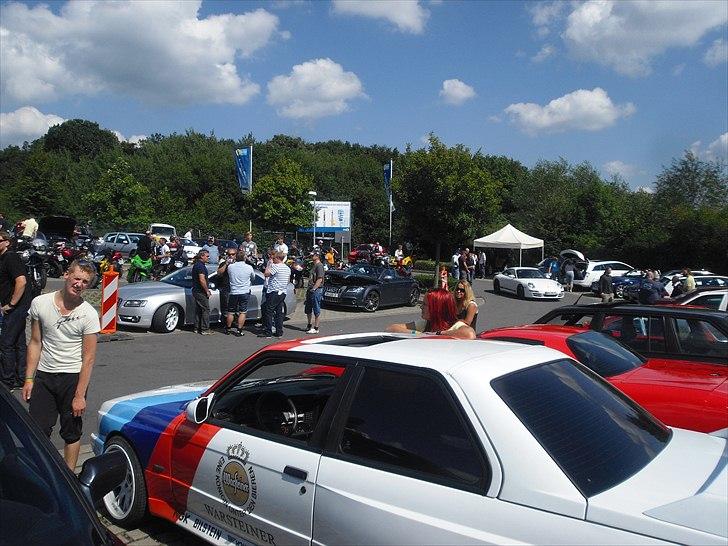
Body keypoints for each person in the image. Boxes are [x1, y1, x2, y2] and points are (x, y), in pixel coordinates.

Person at [22, 260, 100, 470]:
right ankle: (41, 472)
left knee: (71, 432)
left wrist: (80, 396)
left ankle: (69, 476)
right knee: (38, 430)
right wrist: (29, 378)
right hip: (45, 376)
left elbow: (89, 358)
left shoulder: (89, 314)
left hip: (72, 378)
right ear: (66, 275)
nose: (79, 284)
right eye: (76, 278)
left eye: (85, 281)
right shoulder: (40, 303)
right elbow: (35, 342)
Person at [1, 231, 32, 391]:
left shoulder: (11, 257)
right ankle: (20, 378)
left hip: (17, 306)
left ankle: (7, 382)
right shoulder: (3, 258)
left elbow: (21, 281)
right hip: (15, 306)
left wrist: (11, 304)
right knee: (19, 342)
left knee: (6, 343)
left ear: (7, 242)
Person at [387, 289, 475, 339]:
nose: (421, 307)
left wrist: (437, 334)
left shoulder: (456, 326)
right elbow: (391, 328)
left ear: (437, 308)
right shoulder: (424, 324)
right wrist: (419, 334)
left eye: (425, 304)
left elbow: (470, 334)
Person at [259, 251, 291, 338]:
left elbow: (266, 274)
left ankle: (268, 331)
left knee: (269, 311)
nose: (273, 259)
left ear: (278, 258)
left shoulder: (276, 266)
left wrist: (269, 264)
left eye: (274, 258)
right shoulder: (287, 268)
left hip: (274, 291)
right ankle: (279, 331)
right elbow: (288, 280)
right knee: (279, 312)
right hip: (282, 291)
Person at [225, 251, 256, 336]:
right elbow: (253, 278)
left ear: (236, 258)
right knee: (243, 312)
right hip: (244, 291)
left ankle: (228, 329)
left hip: (234, 291)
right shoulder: (249, 267)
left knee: (231, 312)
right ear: (244, 258)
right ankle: (239, 330)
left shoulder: (230, 267)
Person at [192, 250, 212, 335]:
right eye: (207, 256)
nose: (208, 258)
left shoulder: (197, 265)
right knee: (205, 309)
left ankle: (197, 328)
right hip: (200, 291)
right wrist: (207, 290)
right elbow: (202, 279)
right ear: (202, 256)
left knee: (199, 310)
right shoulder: (200, 267)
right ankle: (205, 329)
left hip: (196, 290)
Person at [305, 252, 325, 334]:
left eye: (313, 255)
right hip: (310, 289)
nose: (311, 256)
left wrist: (314, 289)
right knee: (308, 309)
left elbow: (319, 279)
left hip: (316, 290)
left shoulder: (319, 266)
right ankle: (309, 324)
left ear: (317, 256)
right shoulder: (314, 265)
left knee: (316, 308)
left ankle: (316, 328)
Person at [217, 247, 236, 320]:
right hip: (226, 288)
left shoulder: (238, 264)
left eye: (233, 254)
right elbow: (219, 273)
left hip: (235, 288)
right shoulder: (223, 263)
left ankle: (235, 323)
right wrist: (226, 264)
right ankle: (226, 324)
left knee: (235, 308)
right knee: (226, 308)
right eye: (229, 254)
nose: (231, 256)